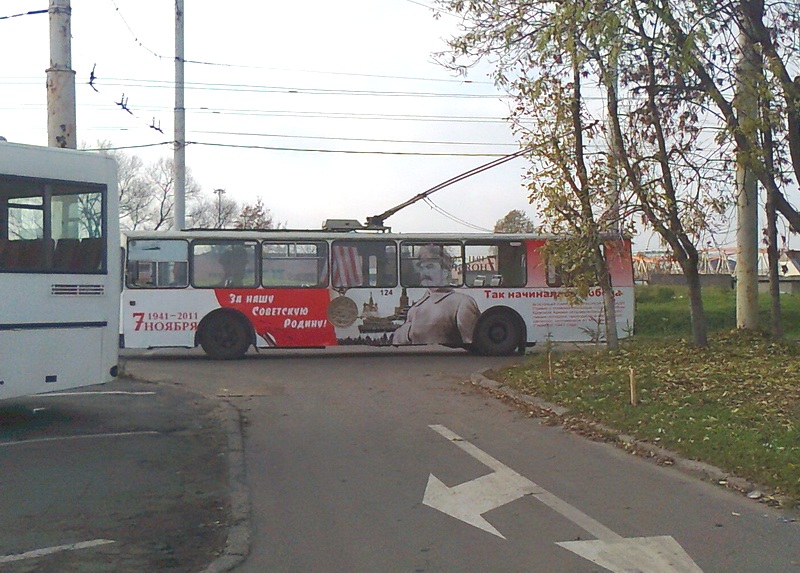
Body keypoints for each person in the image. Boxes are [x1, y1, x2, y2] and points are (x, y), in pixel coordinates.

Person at [391, 244, 480, 347]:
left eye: (430, 267)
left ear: (445, 272)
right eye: (422, 268)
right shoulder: (417, 305)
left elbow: (471, 340)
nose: (424, 272)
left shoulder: (462, 303)